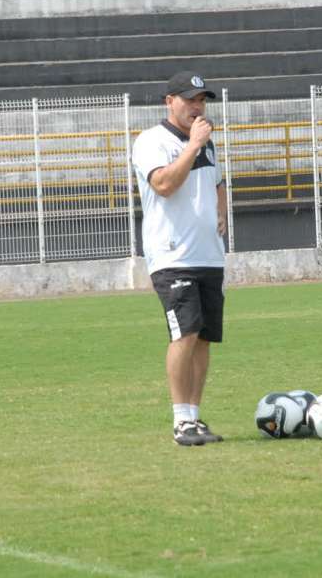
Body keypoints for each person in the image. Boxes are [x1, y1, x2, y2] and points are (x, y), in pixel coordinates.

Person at [131, 70, 228, 446]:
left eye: (201, 100)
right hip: (173, 256)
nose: (197, 106)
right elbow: (165, 185)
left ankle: (194, 417)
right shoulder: (151, 141)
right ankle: (179, 420)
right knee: (184, 333)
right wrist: (193, 145)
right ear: (168, 101)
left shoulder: (207, 144)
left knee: (203, 338)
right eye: (189, 99)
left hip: (209, 255)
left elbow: (217, 181)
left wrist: (222, 210)